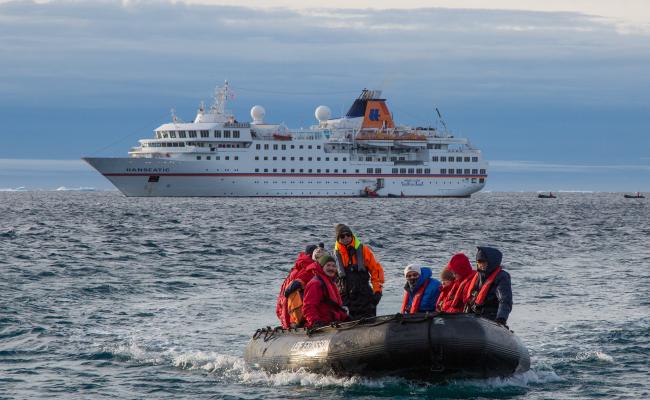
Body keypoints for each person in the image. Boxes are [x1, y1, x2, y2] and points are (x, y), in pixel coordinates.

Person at [332, 224, 385, 320]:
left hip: (364, 296)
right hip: (346, 298)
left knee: (370, 323)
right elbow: (331, 280)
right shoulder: (335, 256)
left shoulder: (364, 250)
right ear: (338, 238)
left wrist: (377, 291)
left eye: (348, 235)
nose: (346, 238)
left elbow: (376, 270)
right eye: (342, 236)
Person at [276, 243, 323, 328]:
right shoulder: (310, 270)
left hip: (286, 315)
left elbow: (282, 299)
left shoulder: (295, 269)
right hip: (296, 317)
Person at [463, 247, 512, 326]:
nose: (481, 265)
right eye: (478, 262)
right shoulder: (477, 277)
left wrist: (501, 319)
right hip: (474, 317)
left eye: (483, 262)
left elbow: (505, 300)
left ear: (491, 262)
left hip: (491, 318)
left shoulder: (501, 277)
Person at [302, 254, 350, 328]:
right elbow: (308, 307)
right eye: (328, 265)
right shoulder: (315, 284)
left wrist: (345, 317)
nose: (331, 268)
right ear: (321, 267)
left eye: (334, 266)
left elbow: (335, 307)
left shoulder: (331, 283)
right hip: (322, 323)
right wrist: (315, 322)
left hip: (332, 322)